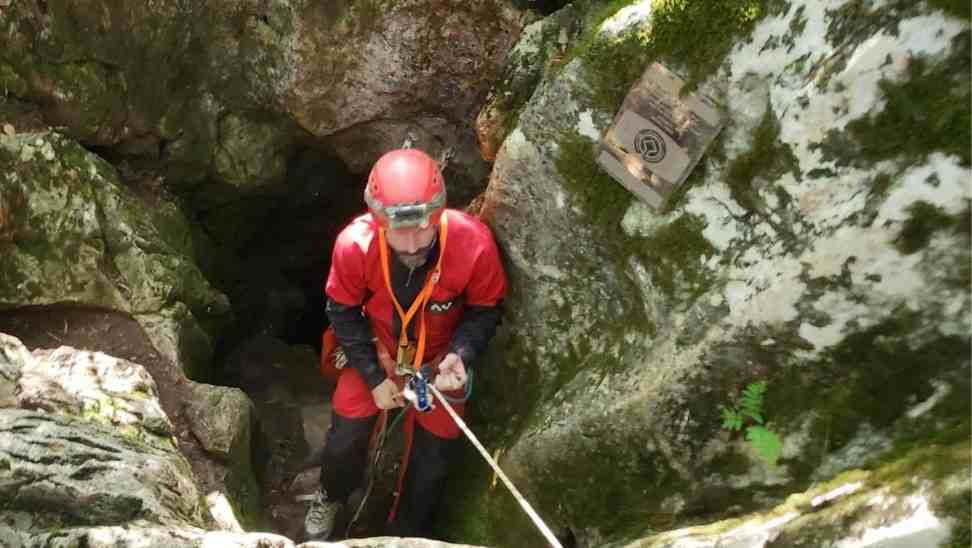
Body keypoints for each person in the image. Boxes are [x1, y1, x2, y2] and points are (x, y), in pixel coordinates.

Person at [304, 148, 507, 540]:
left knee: (434, 456)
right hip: (377, 351)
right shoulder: (355, 246)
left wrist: (461, 354)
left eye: (423, 228)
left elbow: (486, 308)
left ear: (439, 213)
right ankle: (331, 493)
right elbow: (343, 311)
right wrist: (372, 376)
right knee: (346, 434)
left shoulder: (472, 243)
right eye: (400, 230)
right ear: (379, 221)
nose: (413, 244)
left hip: (437, 363)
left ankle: (409, 530)